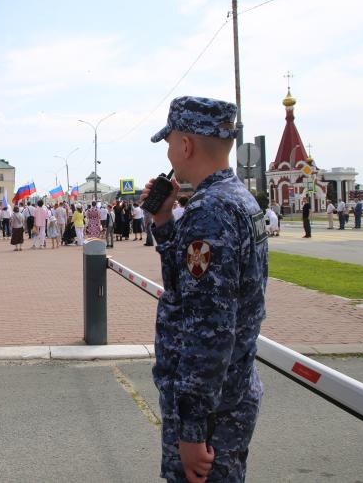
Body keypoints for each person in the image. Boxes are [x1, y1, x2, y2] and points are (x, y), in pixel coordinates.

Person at [142, 96, 267, 483]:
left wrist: (193, 429)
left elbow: (208, 329)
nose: (168, 152)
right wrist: (164, 220)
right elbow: (186, 289)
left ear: (185, 145)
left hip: (211, 414)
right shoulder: (235, 199)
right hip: (228, 394)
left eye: (169, 143)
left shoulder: (209, 212)